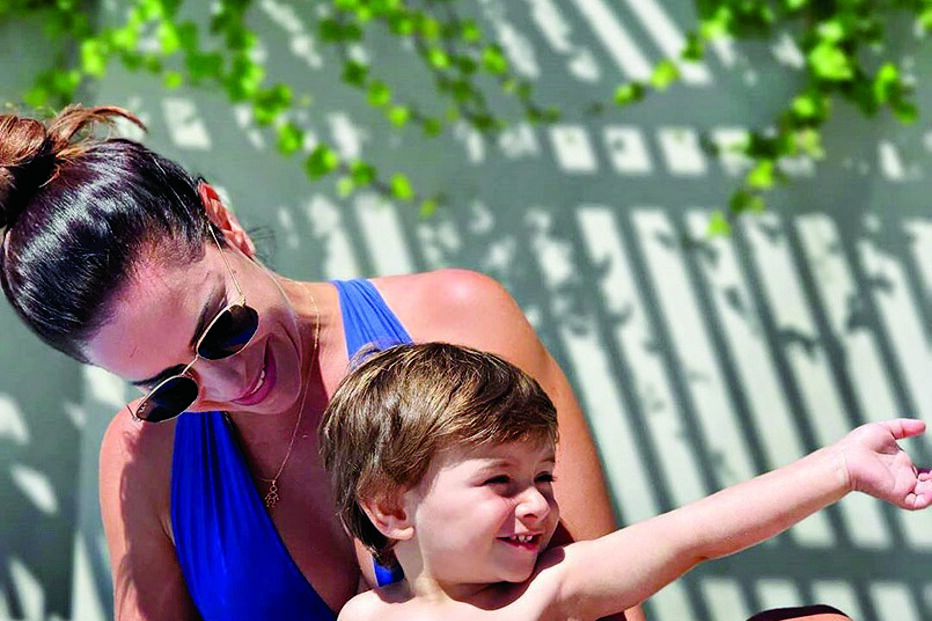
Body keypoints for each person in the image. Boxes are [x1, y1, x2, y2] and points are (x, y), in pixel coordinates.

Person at [0, 104, 636, 620]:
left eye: (222, 329)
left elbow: (608, 602)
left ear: (223, 220)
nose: (232, 382)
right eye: (170, 386)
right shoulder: (145, 458)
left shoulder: (460, 320)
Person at [320, 342, 932, 621]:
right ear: (391, 510)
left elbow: (692, 534)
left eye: (544, 476)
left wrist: (838, 468)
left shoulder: (555, 585)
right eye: (501, 482)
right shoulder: (365, 615)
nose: (537, 504)